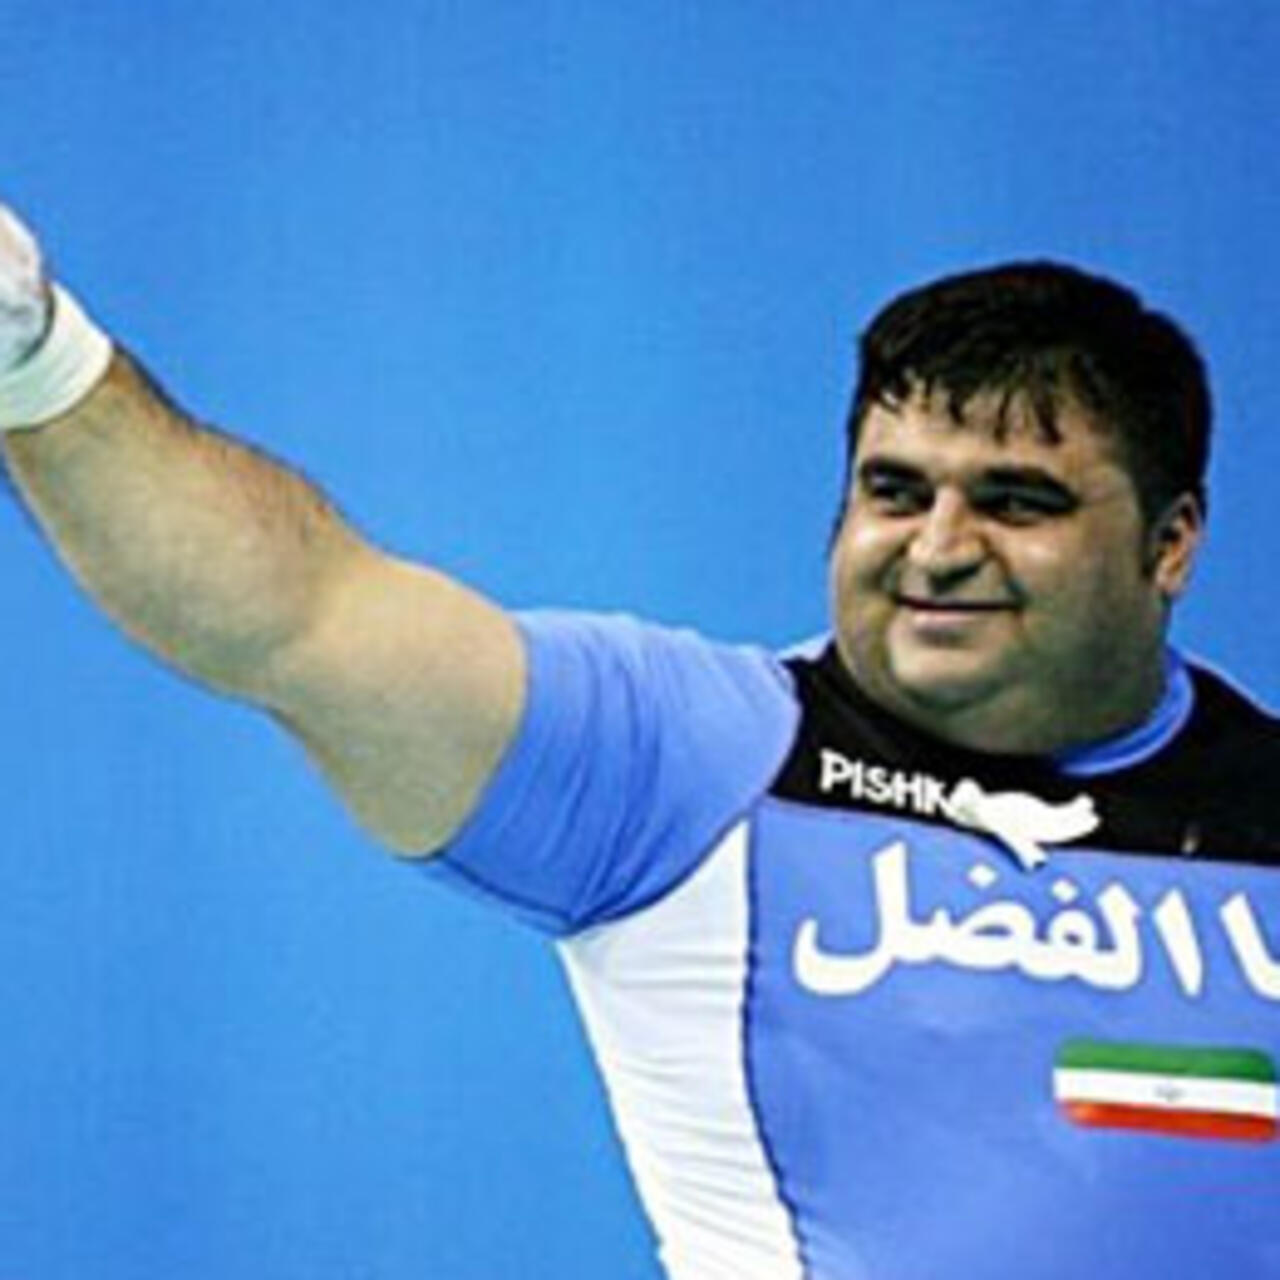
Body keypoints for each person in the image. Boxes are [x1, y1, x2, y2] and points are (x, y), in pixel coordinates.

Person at [2, 200, 1278, 1279]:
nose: (938, 549)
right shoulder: (688, 763)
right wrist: (38, 358)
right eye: (893, 490)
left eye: (1014, 502)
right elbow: (294, 615)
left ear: (1168, 543)